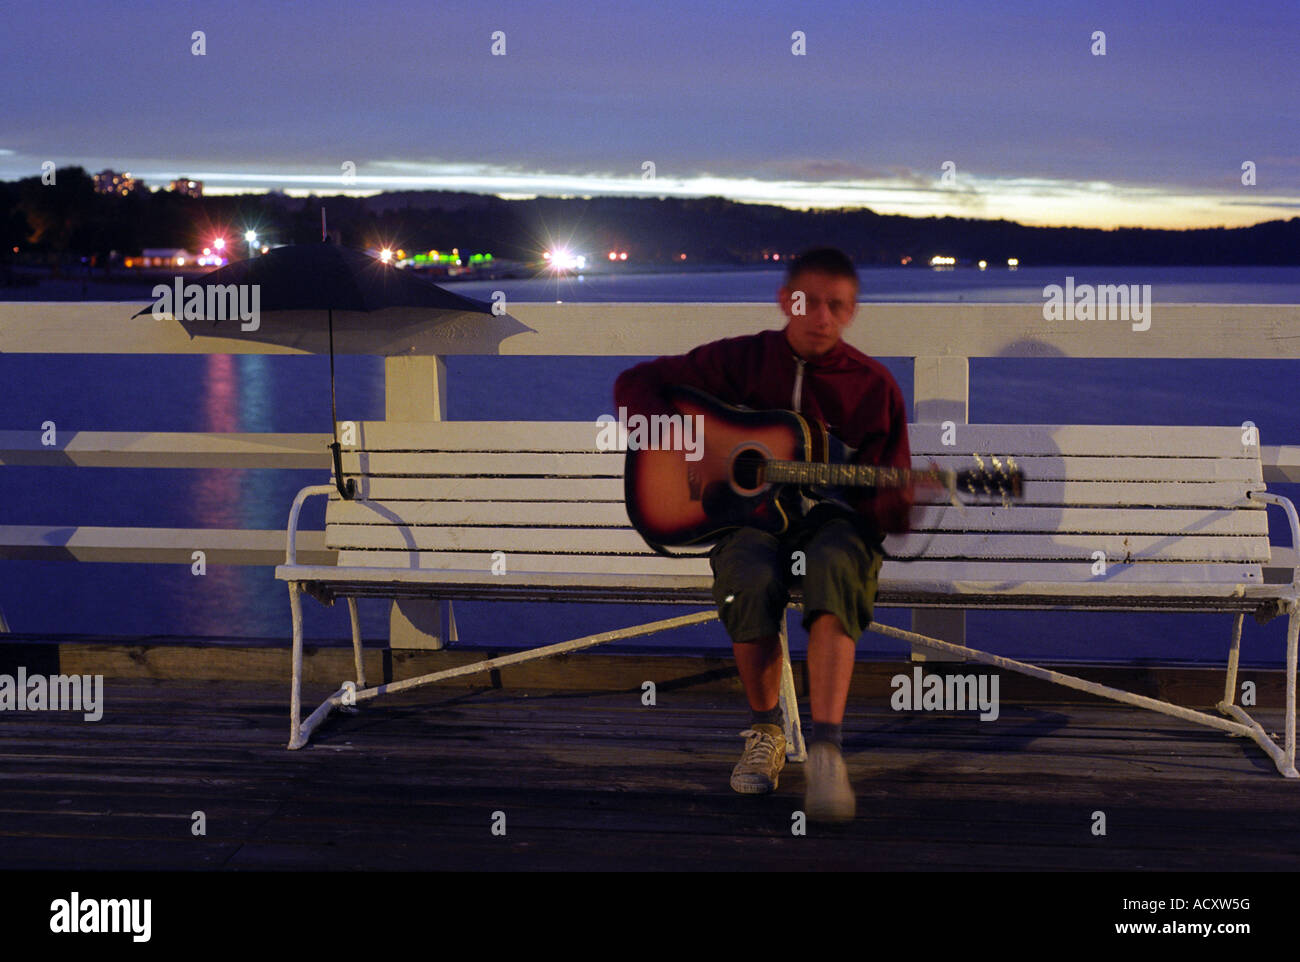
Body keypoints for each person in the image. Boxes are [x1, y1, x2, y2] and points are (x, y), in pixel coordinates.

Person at [613, 247, 913, 821]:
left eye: (837, 305)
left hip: (833, 523)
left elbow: (886, 509)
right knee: (746, 575)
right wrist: (680, 438)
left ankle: (826, 747)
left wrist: (896, 500)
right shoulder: (739, 361)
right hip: (748, 521)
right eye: (809, 302)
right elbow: (636, 382)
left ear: (852, 311)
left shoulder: (873, 387)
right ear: (785, 301)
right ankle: (766, 732)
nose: (821, 316)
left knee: (837, 566)